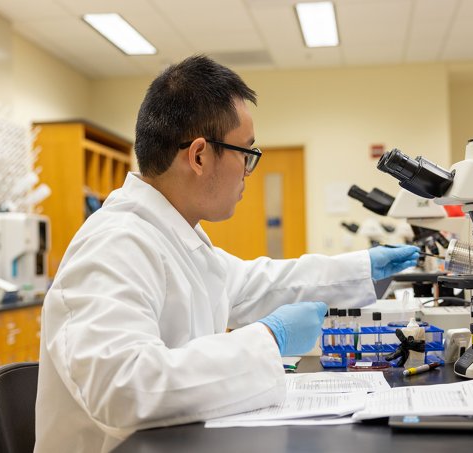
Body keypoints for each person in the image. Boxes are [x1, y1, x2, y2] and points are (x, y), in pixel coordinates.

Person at [34, 55, 419, 452]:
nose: (247, 173)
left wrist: (363, 268)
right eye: (246, 154)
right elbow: (127, 390)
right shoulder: (115, 244)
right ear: (199, 156)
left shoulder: (176, 236)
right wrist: (270, 337)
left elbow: (255, 284)